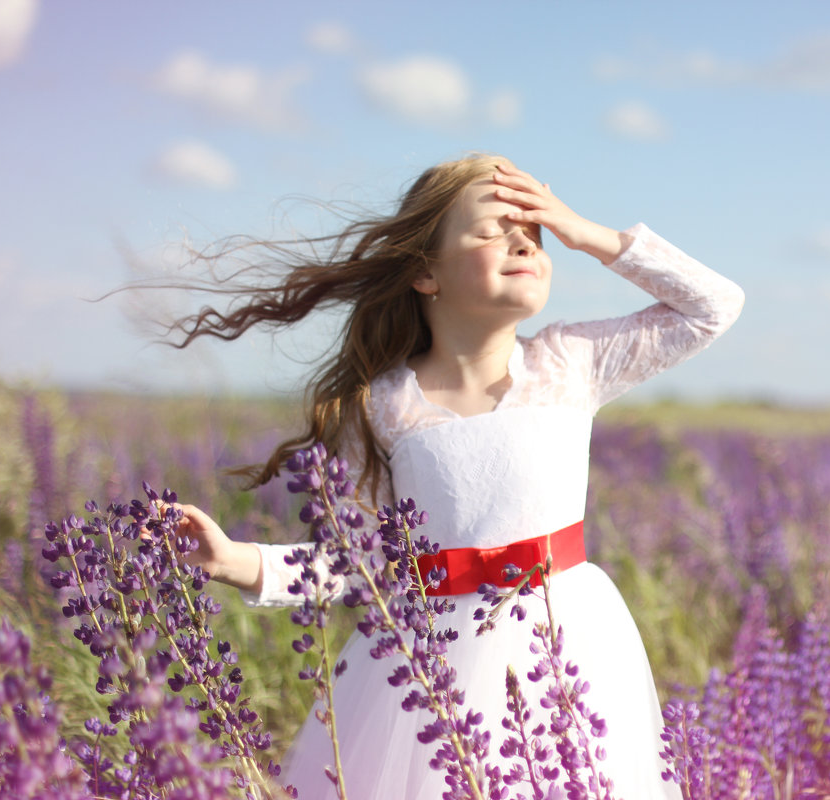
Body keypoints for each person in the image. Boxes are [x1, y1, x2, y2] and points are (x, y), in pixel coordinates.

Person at [165, 154, 744, 799]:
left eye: (537, 230)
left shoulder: (570, 362)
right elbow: (359, 563)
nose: (525, 237)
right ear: (424, 272)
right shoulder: (382, 404)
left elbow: (713, 307)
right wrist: (235, 560)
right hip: (430, 663)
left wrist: (586, 232)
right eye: (493, 228)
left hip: (569, 646)